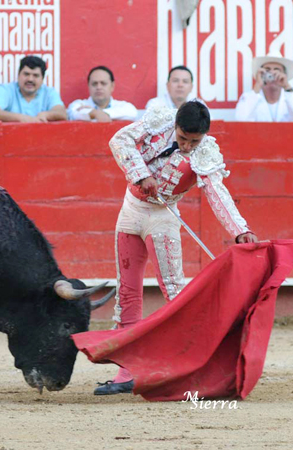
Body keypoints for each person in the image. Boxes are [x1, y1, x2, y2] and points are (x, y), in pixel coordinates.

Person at [94, 101, 258, 395]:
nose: (186, 146)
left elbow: (218, 194)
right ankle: (127, 370)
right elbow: (119, 139)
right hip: (130, 211)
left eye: (194, 141)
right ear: (176, 127)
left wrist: (240, 230)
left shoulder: (205, 152)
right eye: (183, 138)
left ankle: (184, 367)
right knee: (127, 292)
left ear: (204, 136)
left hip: (163, 218)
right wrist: (141, 174)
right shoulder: (159, 122)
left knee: (174, 293)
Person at [0, 55, 67, 123]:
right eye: (26, 74)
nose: (30, 79)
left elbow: (62, 113)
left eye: (35, 75)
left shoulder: (49, 92)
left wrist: (46, 115)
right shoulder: (6, 90)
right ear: (19, 75)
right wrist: (22, 118)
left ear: (42, 79)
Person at [235, 51, 293, 122]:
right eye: (267, 70)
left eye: (277, 70)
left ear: (284, 75)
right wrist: (257, 86)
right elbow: (241, 119)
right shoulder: (249, 97)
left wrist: (287, 86)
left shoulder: (289, 97)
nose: (272, 73)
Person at [67, 66, 137, 122]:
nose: (99, 87)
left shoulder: (123, 106)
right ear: (88, 86)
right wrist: (95, 114)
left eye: (103, 83)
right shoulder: (79, 104)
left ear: (112, 86)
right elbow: (74, 113)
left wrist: (100, 113)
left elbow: (133, 112)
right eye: (94, 84)